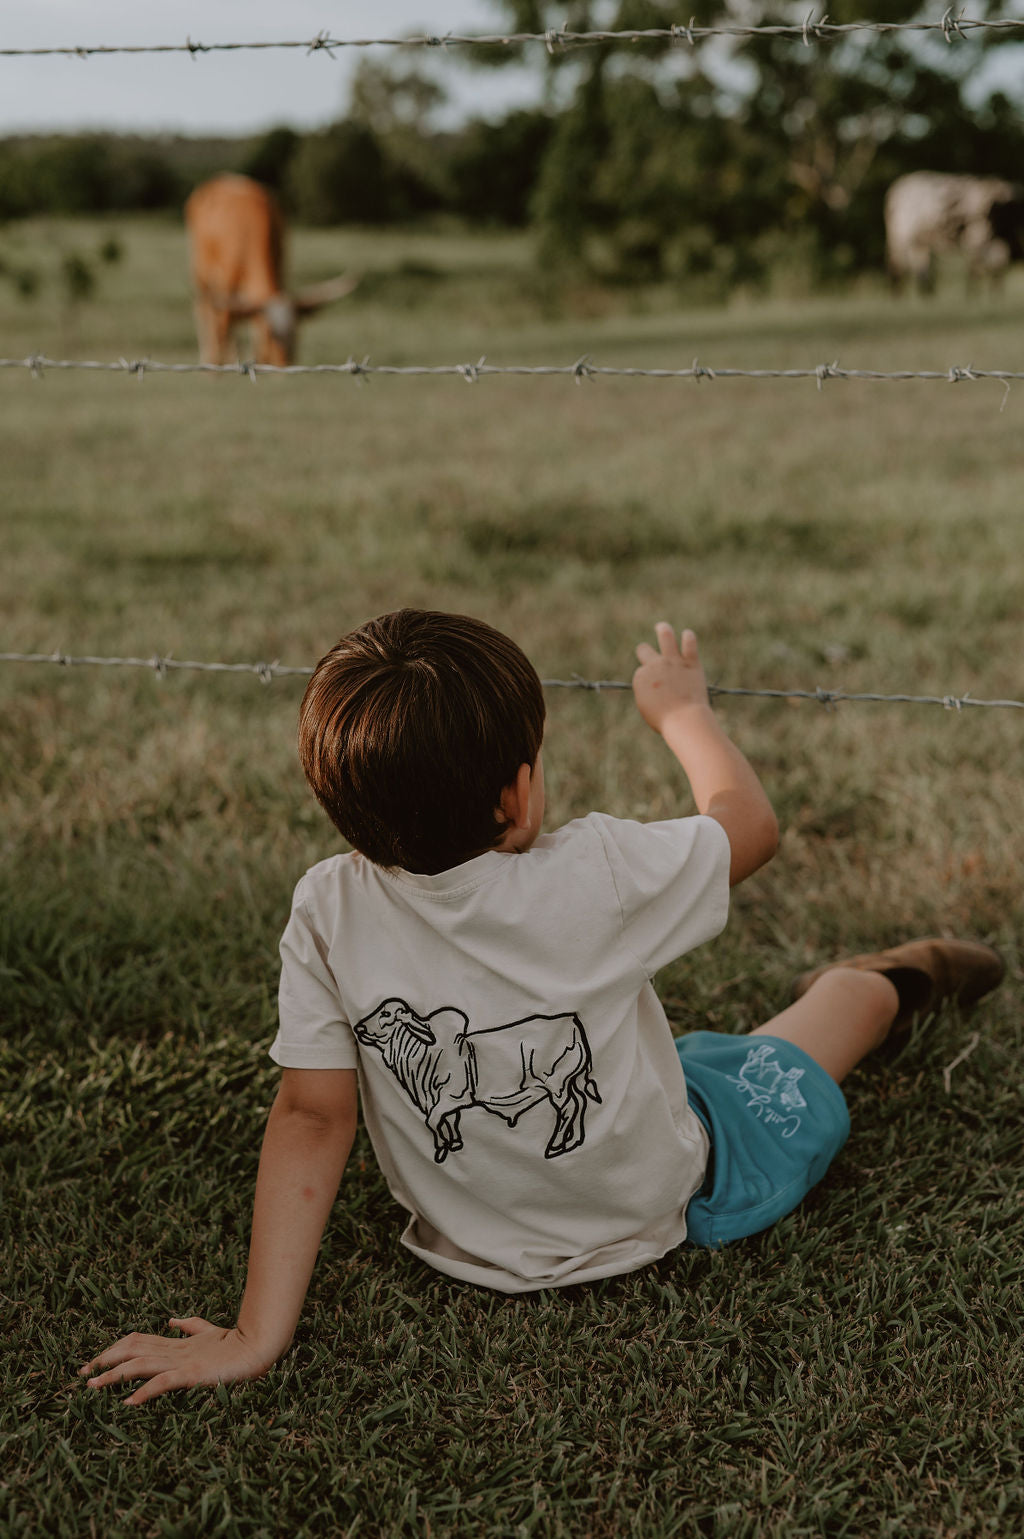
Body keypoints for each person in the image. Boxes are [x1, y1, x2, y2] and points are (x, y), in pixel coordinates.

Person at [79, 610, 1003, 1405]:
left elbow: (312, 1115)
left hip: (461, 1246)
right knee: (807, 1032)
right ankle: (889, 976)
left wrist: (252, 1334)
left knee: (665, 1055)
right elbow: (747, 825)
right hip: (661, 1197)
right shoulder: (592, 870)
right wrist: (684, 712)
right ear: (517, 794)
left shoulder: (327, 908)